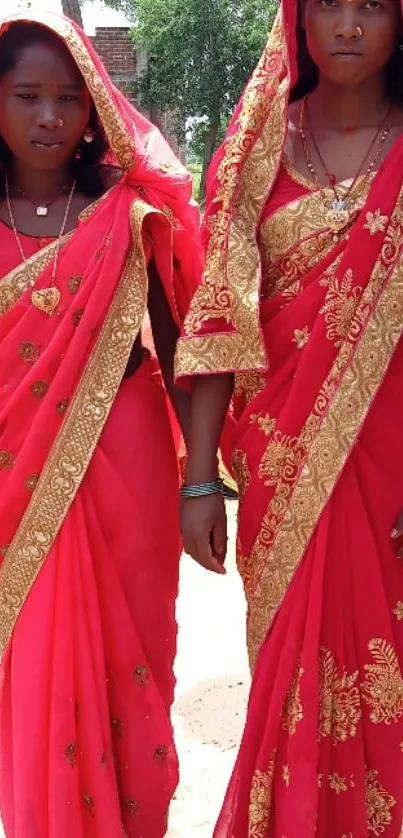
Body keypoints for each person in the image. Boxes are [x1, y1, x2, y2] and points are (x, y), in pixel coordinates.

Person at [176, 0, 403, 833]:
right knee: (288, 674)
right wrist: (198, 477)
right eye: (330, 5)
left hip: (392, 472)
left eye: (372, 7)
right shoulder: (255, 149)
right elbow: (216, 319)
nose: (348, 25)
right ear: (296, 20)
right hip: (279, 463)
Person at [0, 9, 198, 838]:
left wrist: (202, 482)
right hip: (17, 470)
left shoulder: (128, 213)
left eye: (68, 98)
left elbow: (185, 343)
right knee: (39, 661)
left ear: (95, 109)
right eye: (25, 96)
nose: (49, 116)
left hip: (129, 459)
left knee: (132, 659)